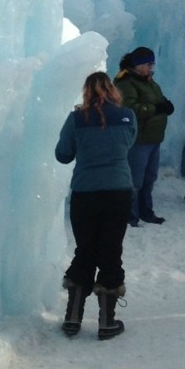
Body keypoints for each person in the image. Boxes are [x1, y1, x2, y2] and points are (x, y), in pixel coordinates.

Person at [54, 70, 137, 339]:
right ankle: (106, 322)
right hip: (118, 191)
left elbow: (63, 154)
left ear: (87, 91)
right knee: (111, 250)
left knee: (85, 250)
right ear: (112, 90)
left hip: (85, 193)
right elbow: (129, 145)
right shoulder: (127, 117)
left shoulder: (76, 119)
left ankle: (72, 318)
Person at [115, 47, 174, 226]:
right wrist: (157, 108)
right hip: (138, 139)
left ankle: (146, 211)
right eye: (148, 64)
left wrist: (165, 104)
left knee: (149, 178)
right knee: (135, 179)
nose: (151, 68)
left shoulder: (148, 82)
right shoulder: (125, 83)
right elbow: (130, 109)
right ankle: (130, 215)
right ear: (138, 65)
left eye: (152, 64)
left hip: (153, 138)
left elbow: (156, 99)